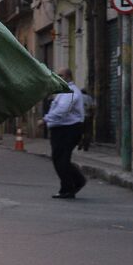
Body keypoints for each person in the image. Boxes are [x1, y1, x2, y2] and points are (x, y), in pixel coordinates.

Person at [43, 68, 87, 199]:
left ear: (68, 77)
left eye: (60, 75)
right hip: (61, 129)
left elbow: (62, 110)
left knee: (61, 160)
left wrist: (45, 119)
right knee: (60, 159)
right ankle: (75, 182)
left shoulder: (71, 92)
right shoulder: (63, 91)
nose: (58, 77)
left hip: (68, 130)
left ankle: (68, 188)